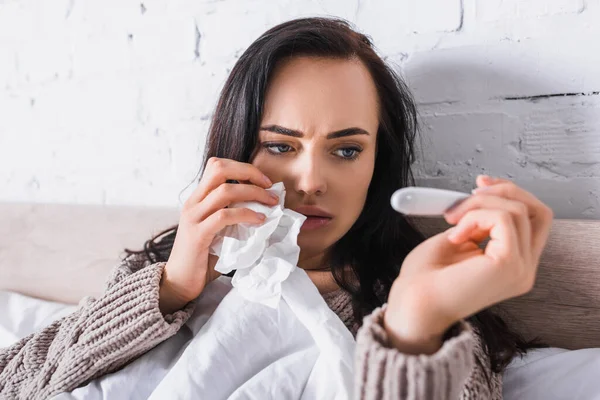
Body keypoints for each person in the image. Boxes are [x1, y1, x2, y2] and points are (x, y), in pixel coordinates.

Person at [0, 17, 553, 399]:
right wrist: (170, 286)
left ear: (377, 163)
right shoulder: (167, 275)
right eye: (282, 146)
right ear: (237, 149)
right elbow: (14, 381)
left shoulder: (425, 309)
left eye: (346, 149)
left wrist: (413, 325)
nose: (311, 180)